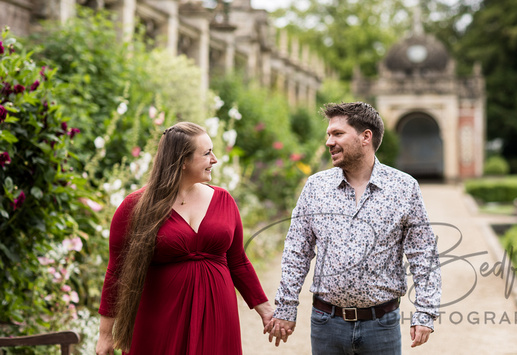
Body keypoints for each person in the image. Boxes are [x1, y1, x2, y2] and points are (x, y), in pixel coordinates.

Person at [266, 102, 441, 354]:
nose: (328, 141)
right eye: (328, 134)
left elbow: (423, 254)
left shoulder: (404, 188)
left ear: (365, 137)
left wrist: (425, 312)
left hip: (382, 324)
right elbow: (297, 251)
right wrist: (286, 307)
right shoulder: (316, 187)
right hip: (326, 323)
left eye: (337, 134)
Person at [95, 122, 273, 355]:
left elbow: (238, 261)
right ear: (182, 161)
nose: (215, 159)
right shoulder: (136, 206)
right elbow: (116, 272)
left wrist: (266, 309)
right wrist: (105, 335)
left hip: (218, 314)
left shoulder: (224, 200)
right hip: (160, 316)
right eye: (207, 153)